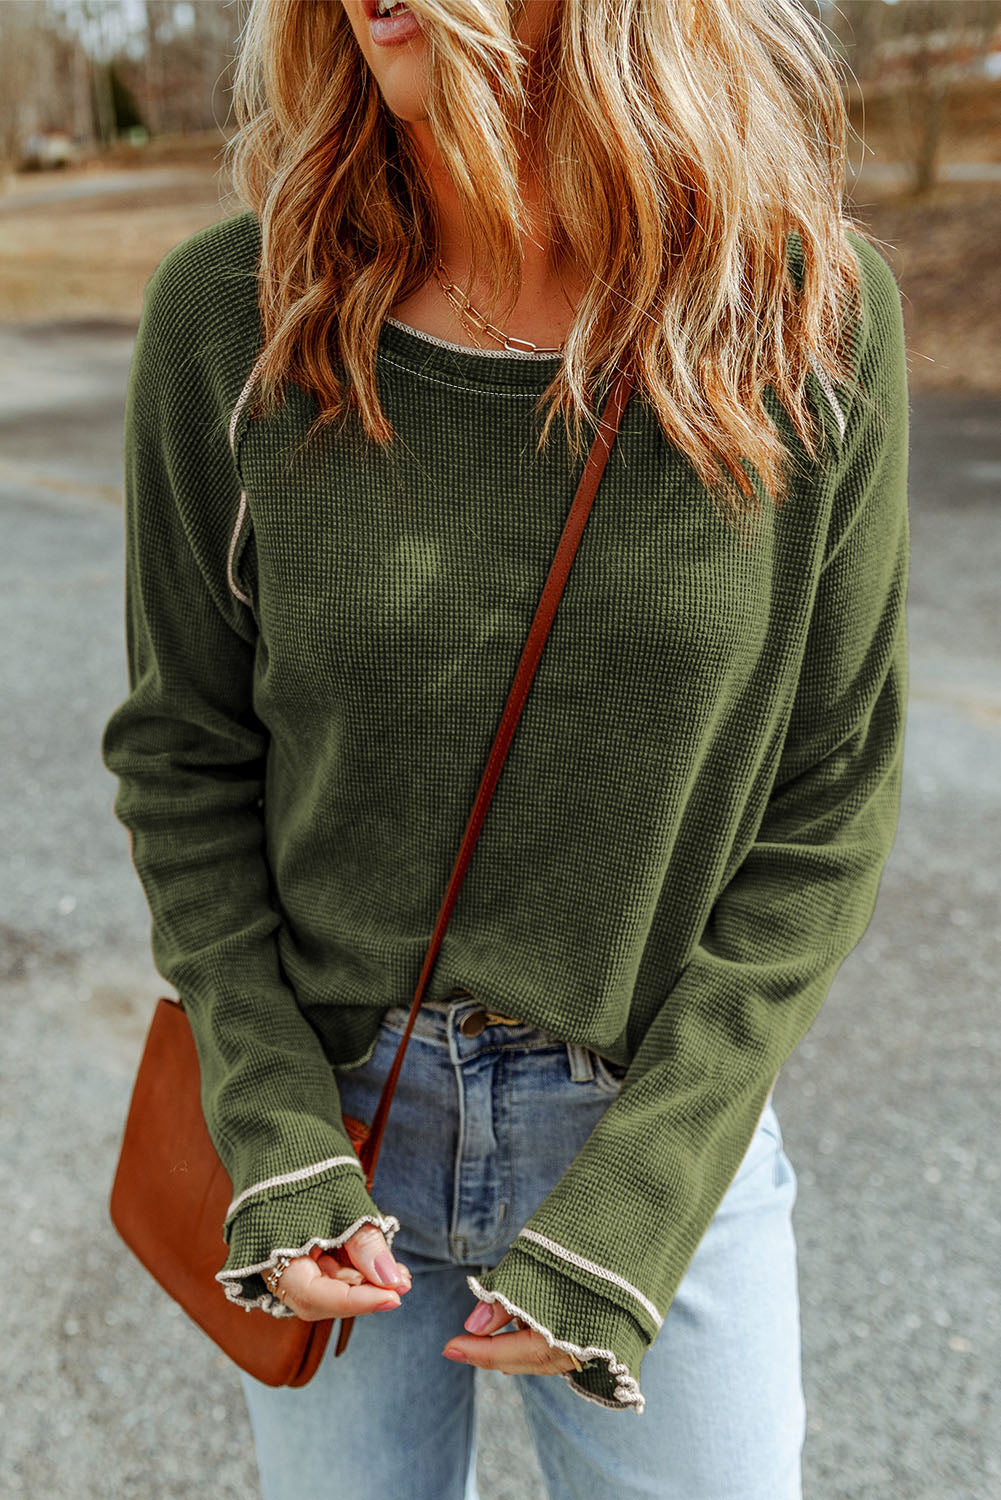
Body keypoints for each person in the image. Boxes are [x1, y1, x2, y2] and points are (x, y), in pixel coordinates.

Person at [101, 0, 909, 1495]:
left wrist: (642, 1193)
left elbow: (831, 794)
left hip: (654, 1133)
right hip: (339, 1134)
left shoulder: (801, 308)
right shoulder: (235, 313)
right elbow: (185, 756)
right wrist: (274, 1128)